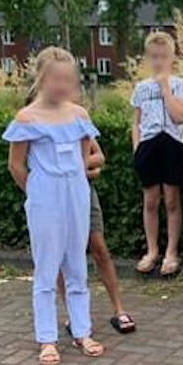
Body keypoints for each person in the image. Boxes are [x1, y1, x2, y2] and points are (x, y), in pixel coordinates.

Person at [4, 47, 104, 365]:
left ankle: (82, 330)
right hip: (45, 195)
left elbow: (85, 157)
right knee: (47, 267)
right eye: (56, 79)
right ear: (41, 78)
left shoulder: (79, 115)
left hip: (76, 192)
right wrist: (36, 192)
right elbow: (16, 165)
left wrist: (75, 182)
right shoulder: (27, 118)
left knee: (77, 264)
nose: (62, 86)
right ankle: (47, 337)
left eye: (67, 80)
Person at [56, 139, 137, 337]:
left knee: (99, 247)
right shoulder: (37, 125)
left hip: (84, 191)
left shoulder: (77, 124)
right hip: (55, 194)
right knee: (60, 254)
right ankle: (73, 314)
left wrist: (77, 168)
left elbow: (99, 157)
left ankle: (119, 309)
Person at [130, 31, 183, 278]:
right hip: (149, 144)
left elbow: (180, 116)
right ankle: (152, 249)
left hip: (171, 143)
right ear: (148, 58)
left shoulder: (180, 85)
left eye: (164, 56)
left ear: (172, 58)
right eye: (154, 57)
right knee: (151, 200)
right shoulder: (141, 88)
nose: (159, 61)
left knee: (171, 200)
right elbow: (136, 121)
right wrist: (137, 146)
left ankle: (171, 251)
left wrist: (166, 89)